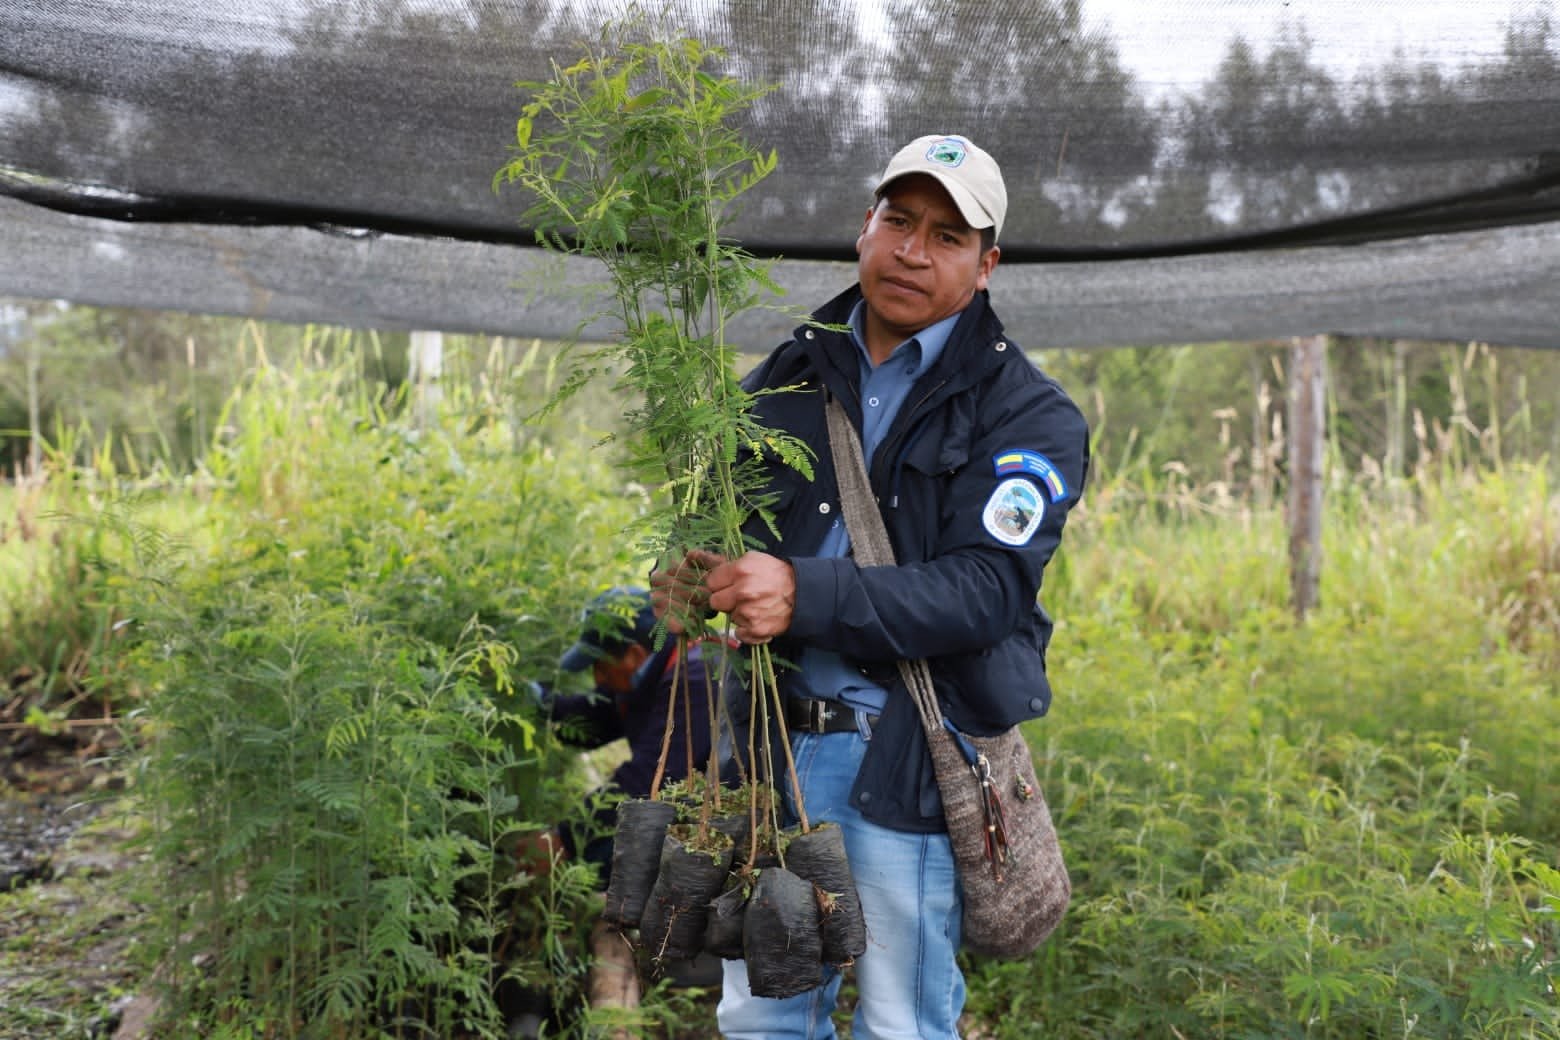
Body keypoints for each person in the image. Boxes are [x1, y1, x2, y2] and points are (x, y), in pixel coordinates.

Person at [652, 134, 1090, 1039]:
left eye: (946, 234)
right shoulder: (786, 374)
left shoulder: (1026, 414)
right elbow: (723, 528)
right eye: (898, 220)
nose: (912, 251)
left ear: (987, 265)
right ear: (865, 226)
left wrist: (803, 595)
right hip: (774, 755)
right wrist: (690, 577)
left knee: (900, 1023)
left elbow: (984, 593)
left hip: (904, 766)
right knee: (764, 1019)